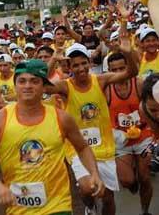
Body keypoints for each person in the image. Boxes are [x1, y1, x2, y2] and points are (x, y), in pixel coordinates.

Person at [0, 59, 104, 214]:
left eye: (34, 81)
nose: (27, 86)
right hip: (19, 207)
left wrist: (94, 173)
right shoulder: (0, 119)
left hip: (58, 205)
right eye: (22, 81)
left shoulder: (61, 118)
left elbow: (83, 147)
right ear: (15, 85)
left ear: (44, 87)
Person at [47, 39, 137, 215]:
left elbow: (131, 72)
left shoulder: (101, 80)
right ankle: (89, 206)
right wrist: (53, 61)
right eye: (75, 65)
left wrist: (127, 52)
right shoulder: (65, 86)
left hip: (104, 148)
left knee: (108, 197)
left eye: (83, 63)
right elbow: (43, 86)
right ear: (69, 67)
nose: (80, 68)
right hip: (78, 149)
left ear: (89, 62)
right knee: (87, 188)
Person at [106, 52, 154, 215]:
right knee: (127, 181)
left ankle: (145, 211)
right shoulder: (106, 89)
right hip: (121, 140)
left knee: (145, 178)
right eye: (115, 70)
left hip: (144, 136)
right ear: (109, 71)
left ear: (128, 67)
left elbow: (152, 107)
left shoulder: (139, 83)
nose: (120, 72)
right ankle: (133, 183)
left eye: (122, 68)